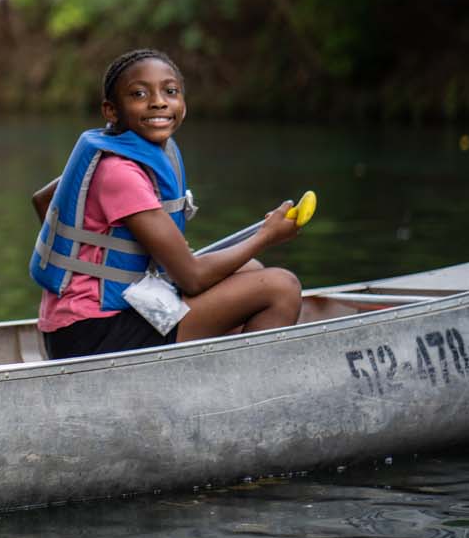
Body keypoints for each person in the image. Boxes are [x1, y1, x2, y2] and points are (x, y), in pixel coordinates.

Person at [29, 48, 302, 359]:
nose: (158, 101)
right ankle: (243, 391)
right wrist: (267, 235)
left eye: (170, 91)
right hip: (91, 336)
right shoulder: (119, 173)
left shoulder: (123, 154)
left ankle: (202, 369)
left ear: (183, 105)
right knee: (281, 287)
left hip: (77, 324)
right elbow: (193, 278)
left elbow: (44, 200)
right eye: (139, 94)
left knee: (250, 269)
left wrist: (89, 266)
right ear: (111, 110)